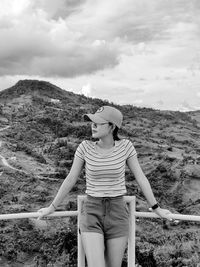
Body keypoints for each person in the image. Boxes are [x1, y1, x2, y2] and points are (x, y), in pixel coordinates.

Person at [37, 105, 172, 267]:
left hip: (117, 212)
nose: (92, 125)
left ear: (112, 126)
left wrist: (156, 208)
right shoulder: (85, 147)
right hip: (92, 211)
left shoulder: (126, 147)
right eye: (92, 122)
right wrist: (52, 207)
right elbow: (70, 178)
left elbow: (141, 178)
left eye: (98, 123)